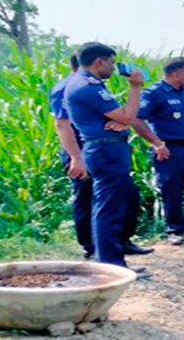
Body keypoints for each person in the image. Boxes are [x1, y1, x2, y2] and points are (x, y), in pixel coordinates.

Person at [52, 53, 148, 261]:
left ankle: (116, 247)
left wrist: (122, 122)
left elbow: (115, 115)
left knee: (120, 199)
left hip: (99, 146)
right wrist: (76, 158)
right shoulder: (78, 86)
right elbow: (62, 124)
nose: (114, 68)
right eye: (112, 63)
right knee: (93, 202)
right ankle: (99, 253)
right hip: (86, 148)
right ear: (98, 61)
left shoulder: (90, 84)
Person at [132, 57, 184, 246]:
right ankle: (174, 230)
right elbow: (137, 120)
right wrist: (157, 144)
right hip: (169, 149)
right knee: (172, 189)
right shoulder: (155, 93)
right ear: (176, 73)